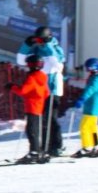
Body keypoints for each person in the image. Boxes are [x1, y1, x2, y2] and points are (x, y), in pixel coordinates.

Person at [16, 26, 66, 156]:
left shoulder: (55, 49)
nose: (38, 42)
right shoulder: (37, 49)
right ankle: (43, 146)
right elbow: (21, 61)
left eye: (41, 39)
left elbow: (57, 64)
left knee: (51, 119)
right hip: (40, 90)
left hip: (53, 89)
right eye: (37, 39)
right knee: (42, 120)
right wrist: (26, 45)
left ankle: (57, 145)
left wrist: (47, 45)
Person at [11, 56, 51, 164]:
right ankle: (38, 151)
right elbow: (46, 93)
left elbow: (23, 91)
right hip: (39, 106)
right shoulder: (42, 76)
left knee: (32, 131)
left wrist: (12, 87)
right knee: (35, 130)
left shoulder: (32, 77)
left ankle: (34, 152)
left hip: (32, 106)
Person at [71, 58, 98, 158]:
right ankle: (96, 146)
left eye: (89, 69)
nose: (88, 71)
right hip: (92, 105)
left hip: (92, 105)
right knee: (92, 127)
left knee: (85, 126)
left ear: (94, 68)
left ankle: (87, 147)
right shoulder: (96, 77)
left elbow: (90, 89)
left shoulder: (97, 79)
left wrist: (82, 98)